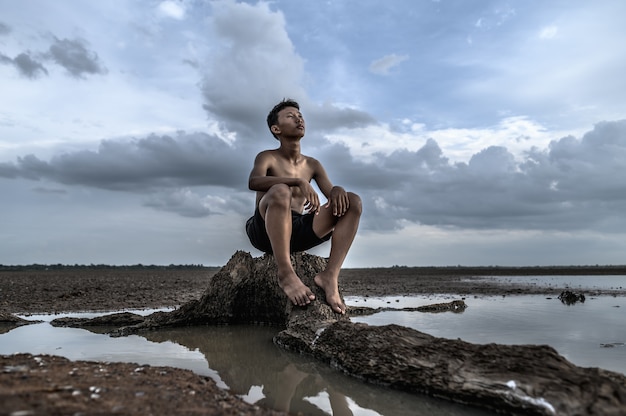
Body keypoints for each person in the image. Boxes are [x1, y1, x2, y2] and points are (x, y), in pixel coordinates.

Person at [246, 99, 362, 314]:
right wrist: (297, 182)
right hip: (264, 231)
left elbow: (335, 200)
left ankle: (330, 276)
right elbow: (253, 182)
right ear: (276, 128)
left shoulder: (313, 164)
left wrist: (337, 190)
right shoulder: (267, 156)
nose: (298, 118)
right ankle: (286, 273)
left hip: (298, 232)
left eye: (300, 115)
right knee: (281, 190)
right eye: (290, 116)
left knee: (353, 201)